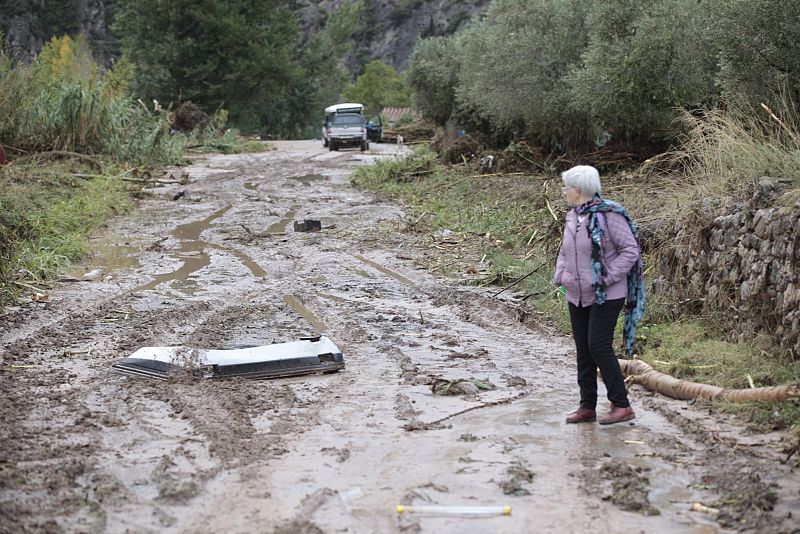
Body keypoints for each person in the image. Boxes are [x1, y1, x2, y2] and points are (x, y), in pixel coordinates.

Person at [554, 165, 645, 425]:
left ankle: (621, 404)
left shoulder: (609, 215)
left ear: (578, 190)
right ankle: (587, 407)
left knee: (598, 345)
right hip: (576, 294)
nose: (564, 193)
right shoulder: (573, 216)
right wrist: (561, 274)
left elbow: (630, 250)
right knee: (583, 350)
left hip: (607, 294)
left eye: (567, 188)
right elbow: (564, 251)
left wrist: (605, 278)